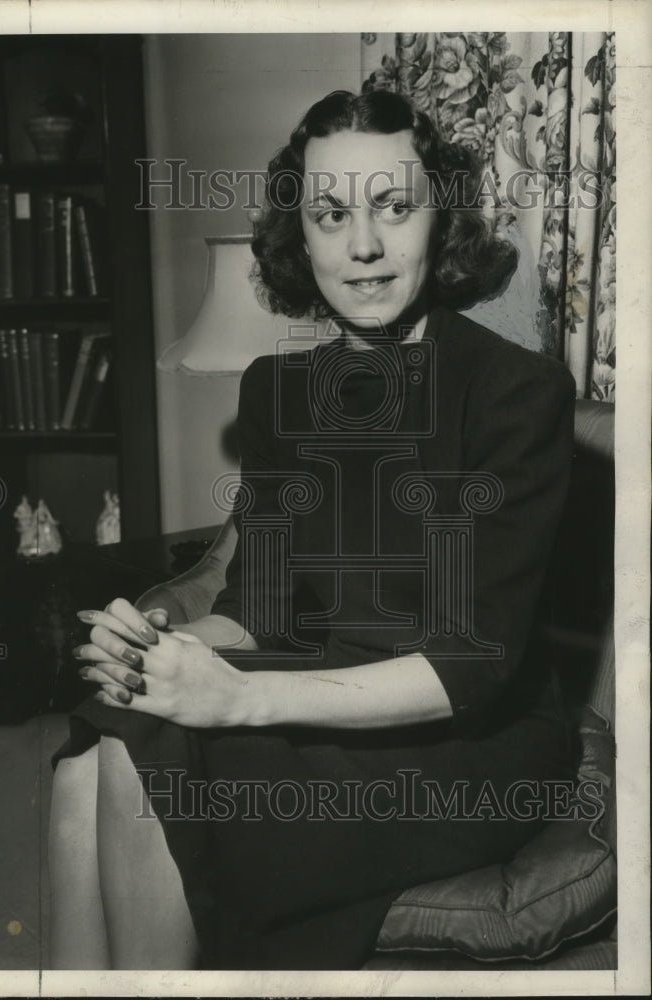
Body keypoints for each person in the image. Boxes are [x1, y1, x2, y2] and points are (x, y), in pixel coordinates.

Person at [49, 89, 578, 971]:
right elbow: (256, 609)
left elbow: (472, 669)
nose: (362, 246)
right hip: (325, 691)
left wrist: (238, 699)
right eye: (331, 214)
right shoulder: (278, 392)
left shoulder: (516, 394)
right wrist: (153, 647)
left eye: (393, 207)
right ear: (302, 236)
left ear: (439, 218)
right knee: (92, 751)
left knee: (138, 757)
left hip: (474, 742)